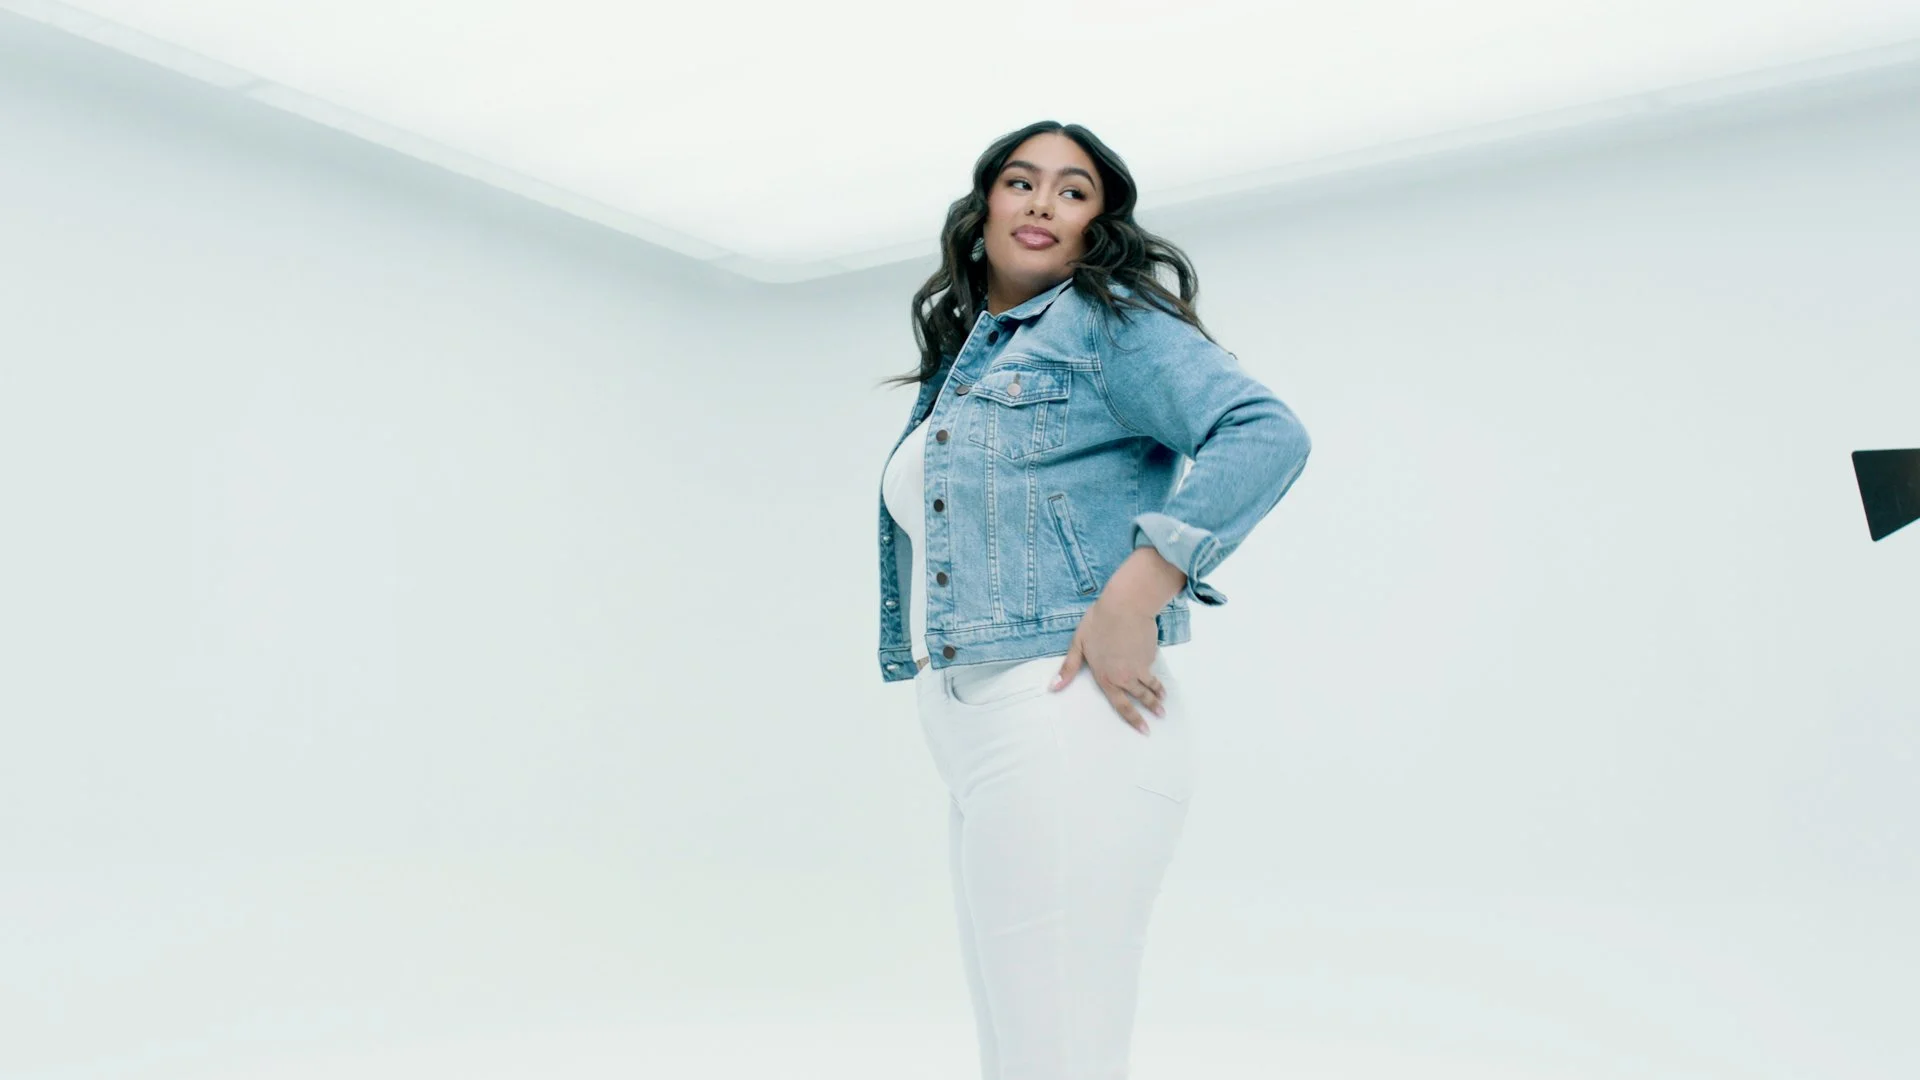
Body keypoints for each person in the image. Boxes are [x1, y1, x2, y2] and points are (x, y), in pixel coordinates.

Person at [874, 120, 1311, 1080]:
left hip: (1067, 716)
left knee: (1056, 1054)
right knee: (1023, 1052)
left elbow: (1263, 432)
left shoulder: (1109, 327)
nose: (1042, 202)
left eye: (1073, 192)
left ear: (1096, 225)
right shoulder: (972, 362)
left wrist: (1140, 585)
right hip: (975, 721)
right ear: (983, 205)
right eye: (1021, 182)